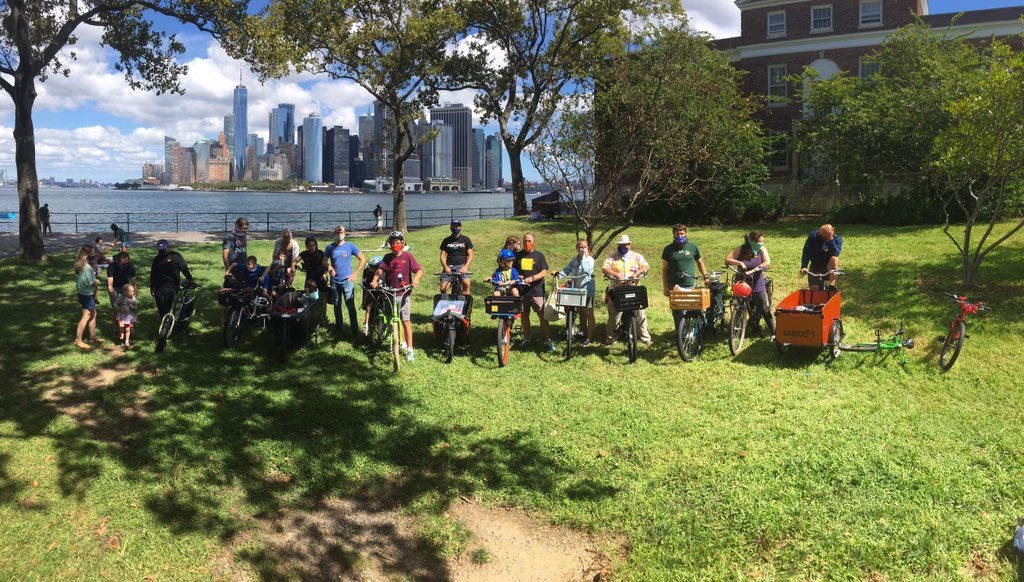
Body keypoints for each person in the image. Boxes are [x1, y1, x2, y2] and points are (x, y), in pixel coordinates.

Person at [371, 231, 423, 361]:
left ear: (402, 243)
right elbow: (380, 270)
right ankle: (393, 340)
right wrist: (374, 280)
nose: (395, 245)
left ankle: (410, 349)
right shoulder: (387, 257)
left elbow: (418, 270)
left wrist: (416, 280)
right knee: (391, 318)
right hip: (389, 292)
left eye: (397, 242)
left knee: (405, 321)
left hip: (403, 293)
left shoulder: (408, 256)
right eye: (392, 243)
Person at [602, 234, 652, 346]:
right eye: (621, 245)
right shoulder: (612, 256)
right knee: (614, 316)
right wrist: (616, 275)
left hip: (633, 288)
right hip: (617, 290)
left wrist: (637, 273)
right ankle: (611, 338)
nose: (623, 247)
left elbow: (646, 266)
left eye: (625, 244)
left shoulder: (636, 256)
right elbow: (605, 268)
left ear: (629, 244)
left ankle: (645, 337)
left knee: (640, 314)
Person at [725, 231, 775, 339]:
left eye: (762, 242)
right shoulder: (741, 249)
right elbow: (728, 259)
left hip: (756, 281)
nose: (761, 244)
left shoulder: (761, 249)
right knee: (739, 305)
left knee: (763, 308)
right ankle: (738, 326)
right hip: (742, 281)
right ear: (751, 241)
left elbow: (767, 262)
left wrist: (754, 270)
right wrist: (740, 263)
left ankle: (774, 333)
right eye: (759, 242)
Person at [661, 223, 711, 329]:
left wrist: (706, 277)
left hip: (689, 284)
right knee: (677, 311)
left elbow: (700, 263)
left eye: (682, 234)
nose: (680, 236)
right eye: (677, 234)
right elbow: (665, 269)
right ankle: (679, 333)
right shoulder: (668, 249)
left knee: (693, 309)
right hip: (674, 285)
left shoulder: (692, 247)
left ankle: (697, 330)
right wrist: (665, 286)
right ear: (673, 234)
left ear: (685, 233)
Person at [323, 225, 366, 338]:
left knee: (350, 306)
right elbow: (324, 261)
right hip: (335, 282)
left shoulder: (350, 246)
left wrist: (355, 274)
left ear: (344, 233)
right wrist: (329, 267)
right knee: (337, 305)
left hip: (347, 282)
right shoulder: (330, 247)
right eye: (337, 232)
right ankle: (339, 328)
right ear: (334, 234)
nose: (339, 234)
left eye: (341, 232)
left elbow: (363, 259)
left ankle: (355, 331)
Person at [513, 232, 554, 351]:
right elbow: (513, 271)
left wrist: (533, 278)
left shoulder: (539, 255)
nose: (527, 243)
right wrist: (518, 277)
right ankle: (527, 338)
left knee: (542, 315)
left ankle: (547, 340)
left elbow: (544, 272)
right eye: (525, 241)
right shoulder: (518, 256)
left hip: (536, 291)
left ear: (534, 243)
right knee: (524, 315)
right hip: (522, 291)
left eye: (529, 241)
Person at [554, 239, 596, 346]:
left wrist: (583, 257)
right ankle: (584, 333)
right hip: (577, 289)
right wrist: (558, 275)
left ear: (587, 248)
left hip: (587, 289)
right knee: (581, 311)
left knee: (588, 313)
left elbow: (588, 270)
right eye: (580, 247)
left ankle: (589, 338)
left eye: (584, 247)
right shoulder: (574, 259)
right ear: (577, 248)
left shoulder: (590, 260)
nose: (582, 249)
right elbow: (567, 270)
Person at [150, 239, 194, 320]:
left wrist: (190, 279)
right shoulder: (156, 259)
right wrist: (152, 287)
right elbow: (153, 274)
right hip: (159, 288)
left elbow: (184, 268)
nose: (162, 252)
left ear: (167, 247)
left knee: (168, 308)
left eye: (163, 249)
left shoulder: (176, 256)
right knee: (161, 309)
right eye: (160, 250)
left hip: (172, 287)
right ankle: (165, 323)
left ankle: (169, 323)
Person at [74, 244, 102, 349]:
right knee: (86, 316)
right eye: (92, 253)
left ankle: (93, 337)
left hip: (82, 293)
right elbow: (91, 282)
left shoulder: (78, 265)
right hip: (88, 295)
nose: (94, 255)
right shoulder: (87, 268)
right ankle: (78, 340)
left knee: (93, 314)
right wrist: (96, 281)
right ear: (87, 255)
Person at [801, 224, 843, 290]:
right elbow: (806, 251)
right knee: (814, 291)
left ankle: (831, 284)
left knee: (835, 258)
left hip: (829, 268)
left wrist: (830, 239)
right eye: (819, 233)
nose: (820, 236)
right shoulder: (813, 235)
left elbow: (836, 253)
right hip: (815, 267)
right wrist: (804, 266)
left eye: (823, 235)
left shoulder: (837, 239)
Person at [106, 251, 137, 342]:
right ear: (118, 261)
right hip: (115, 287)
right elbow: (110, 286)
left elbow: (133, 283)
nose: (125, 264)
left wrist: (133, 296)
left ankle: (129, 328)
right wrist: (118, 300)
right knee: (116, 309)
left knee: (129, 309)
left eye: (127, 262)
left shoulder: (130, 266)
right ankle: (117, 329)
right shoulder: (112, 266)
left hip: (125, 287)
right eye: (123, 263)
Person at [439, 219, 474, 295]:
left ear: (460, 227)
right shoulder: (446, 240)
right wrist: (445, 267)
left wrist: (465, 267)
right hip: (449, 266)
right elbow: (442, 255)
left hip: (462, 266)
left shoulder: (466, 239)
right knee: (443, 288)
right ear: (450, 227)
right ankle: (446, 302)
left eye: (457, 226)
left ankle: (466, 301)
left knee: (467, 284)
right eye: (453, 226)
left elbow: (470, 254)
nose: (455, 228)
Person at [360, 255, 384, 335]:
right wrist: (364, 302)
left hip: (382, 293)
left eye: (373, 267)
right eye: (371, 267)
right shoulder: (369, 274)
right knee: (368, 307)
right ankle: (366, 325)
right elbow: (367, 289)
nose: (372, 269)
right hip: (372, 293)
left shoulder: (384, 274)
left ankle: (384, 327)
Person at [114, 283, 139, 349]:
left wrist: (133, 307)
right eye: (131, 292)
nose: (133, 293)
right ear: (125, 292)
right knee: (121, 326)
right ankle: (121, 334)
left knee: (128, 329)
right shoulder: (121, 298)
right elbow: (115, 304)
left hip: (129, 316)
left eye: (133, 291)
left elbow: (136, 306)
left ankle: (126, 341)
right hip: (122, 315)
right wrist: (119, 308)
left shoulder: (133, 298)